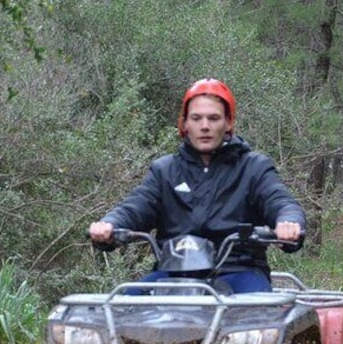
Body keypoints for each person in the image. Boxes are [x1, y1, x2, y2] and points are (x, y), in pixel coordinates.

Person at [88, 78, 305, 293]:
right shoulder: (165, 171)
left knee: (257, 312)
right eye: (196, 118)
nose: (204, 126)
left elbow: (280, 201)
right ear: (184, 124)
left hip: (239, 271)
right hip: (172, 274)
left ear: (228, 123)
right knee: (125, 305)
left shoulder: (254, 168)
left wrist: (288, 222)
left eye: (213, 118)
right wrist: (110, 224)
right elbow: (136, 207)